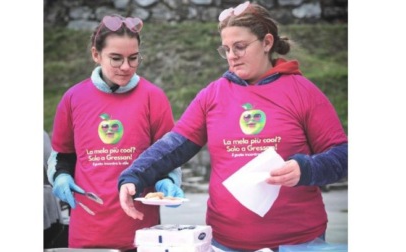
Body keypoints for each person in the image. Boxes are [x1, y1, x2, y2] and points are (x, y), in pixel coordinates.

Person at [117, 1, 347, 252]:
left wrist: (306, 168)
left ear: (267, 43)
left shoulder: (302, 91)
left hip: (298, 243)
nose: (231, 56)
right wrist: (135, 176)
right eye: (226, 49)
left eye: (240, 47)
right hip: (224, 243)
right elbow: (174, 145)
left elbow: (343, 155)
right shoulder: (213, 95)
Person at [46, 14, 184, 251]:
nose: (126, 67)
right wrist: (60, 176)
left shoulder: (153, 97)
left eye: (133, 58)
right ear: (96, 55)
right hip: (86, 232)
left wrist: (167, 181)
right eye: (116, 58)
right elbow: (63, 154)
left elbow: (165, 157)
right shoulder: (73, 98)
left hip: (141, 233)